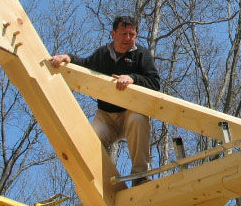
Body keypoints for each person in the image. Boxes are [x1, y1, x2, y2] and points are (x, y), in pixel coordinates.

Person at [50, 15, 160, 185]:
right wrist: (69, 58)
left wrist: (133, 78)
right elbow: (85, 65)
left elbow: (154, 83)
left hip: (131, 111)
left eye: (132, 35)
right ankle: (103, 182)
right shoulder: (103, 54)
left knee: (138, 119)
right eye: (123, 34)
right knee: (94, 136)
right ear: (113, 34)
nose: (128, 38)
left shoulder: (140, 54)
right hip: (106, 116)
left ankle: (140, 177)